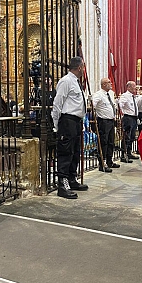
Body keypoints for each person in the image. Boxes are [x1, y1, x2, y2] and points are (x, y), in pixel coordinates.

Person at [52, 56, 88, 199]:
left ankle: (72, 179)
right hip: (67, 121)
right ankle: (62, 184)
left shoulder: (76, 82)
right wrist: (56, 124)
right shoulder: (66, 81)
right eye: (83, 67)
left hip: (76, 121)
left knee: (75, 152)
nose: (84, 69)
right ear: (79, 67)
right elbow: (57, 103)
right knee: (66, 152)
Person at [92, 78, 120, 172]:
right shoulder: (98, 95)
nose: (111, 83)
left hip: (111, 121)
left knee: (111, 142)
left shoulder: (111, 93)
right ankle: (102, 163)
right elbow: (92, 105)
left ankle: (109, 161)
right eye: (108, 82)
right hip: (103, 121)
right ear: (103, 84)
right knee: (103, 142)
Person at [119, 81, 141, 162]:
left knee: (132, 136)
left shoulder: (133, 96)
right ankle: (123, 155)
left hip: (134, 118)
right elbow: (120, 105)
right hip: (128, 117)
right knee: (126, 137)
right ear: (128, 87)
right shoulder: (125, 96)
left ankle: (129, 152)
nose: (135, 88)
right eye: (133, 86)